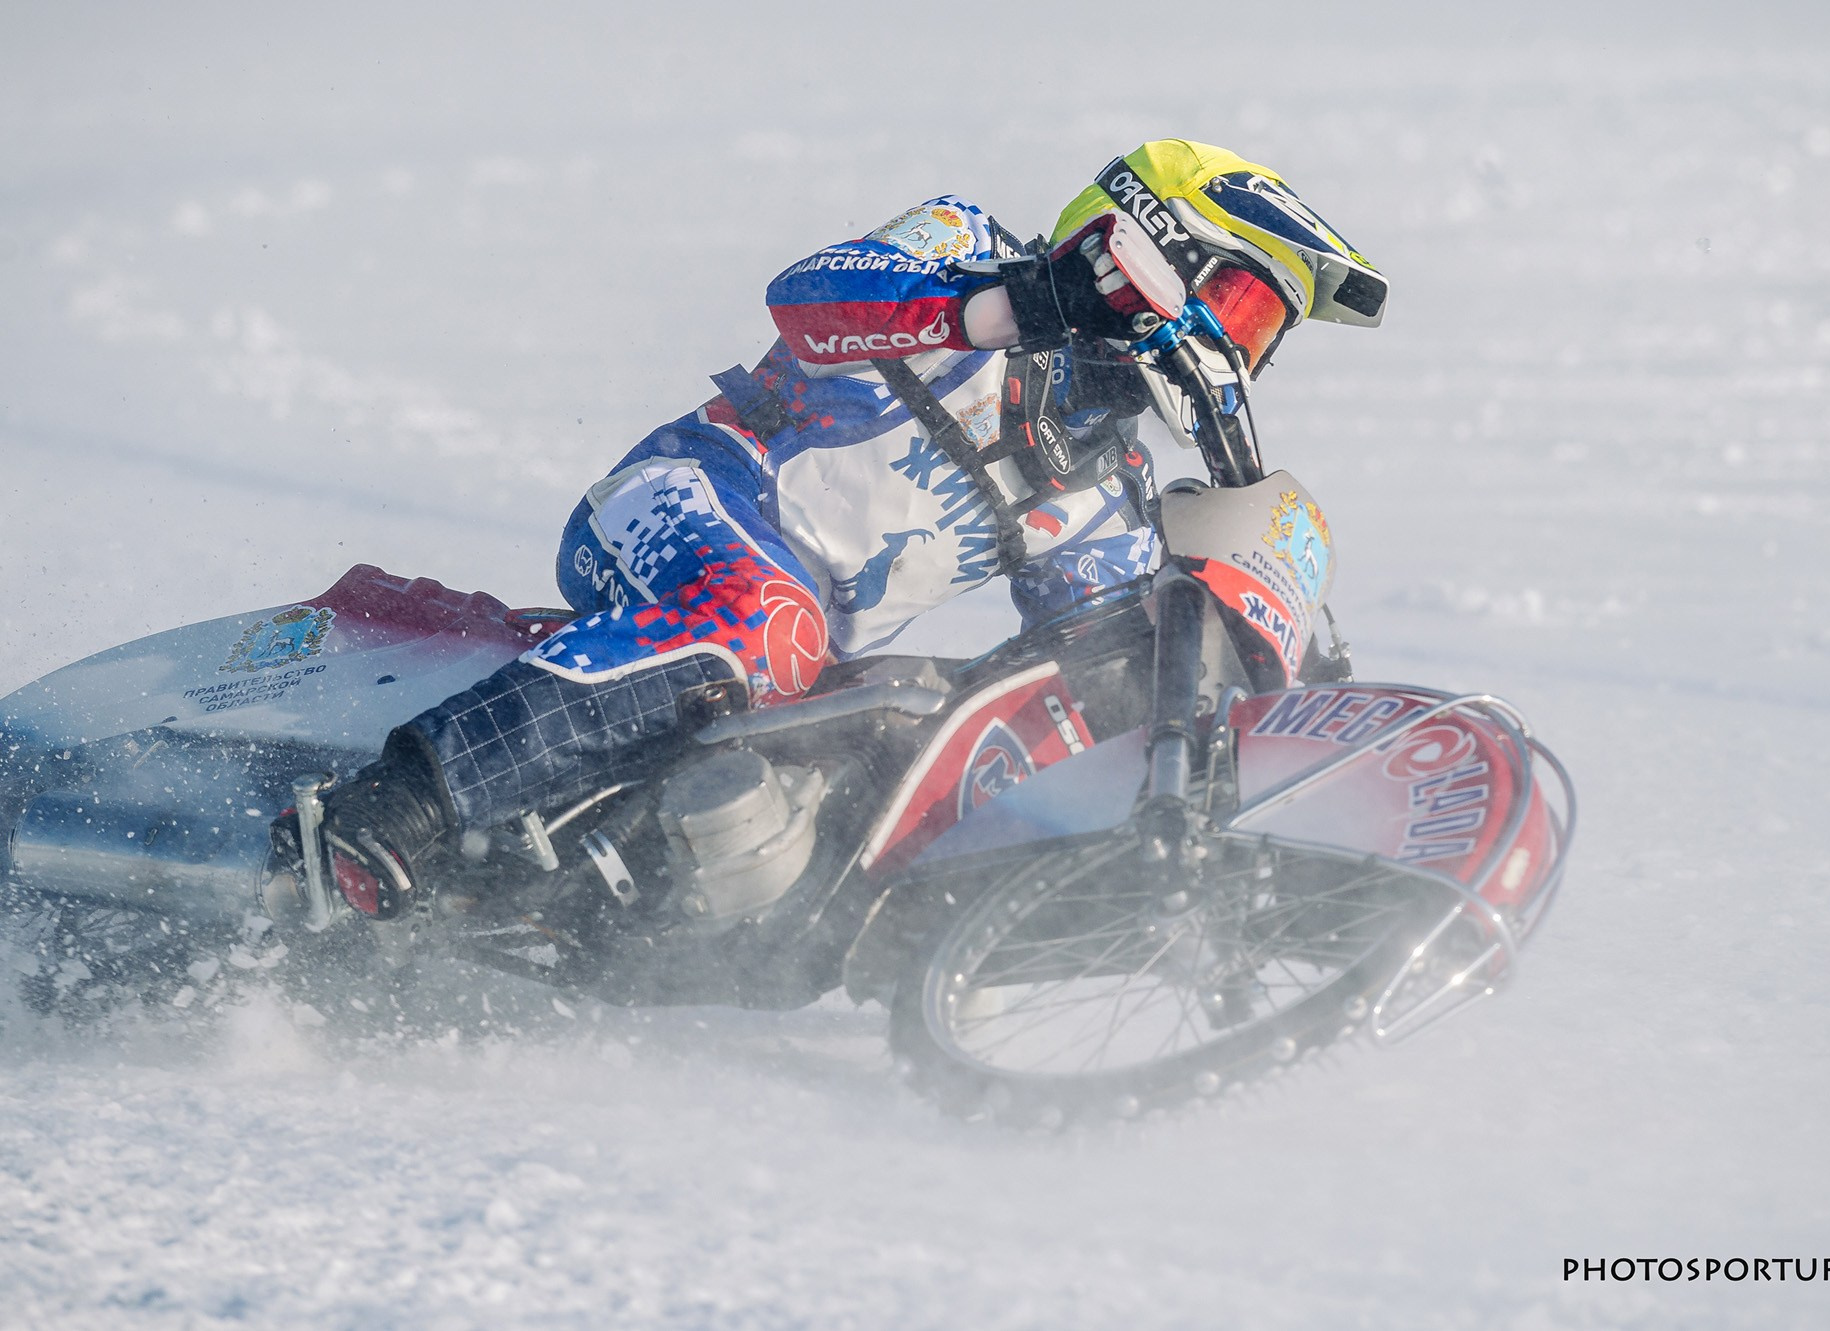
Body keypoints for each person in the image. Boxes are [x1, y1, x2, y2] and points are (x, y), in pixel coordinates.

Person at [283, 139, 1388, 920]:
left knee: (912, 718)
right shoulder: (967, 245)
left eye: (1261, 339)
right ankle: (405, 800)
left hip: (799, 648)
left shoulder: (1101, 477)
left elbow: (1087, 656)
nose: (1240, 354)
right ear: (1150, 238)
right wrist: (1014, 305)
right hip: (693, 499)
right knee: (767, 619)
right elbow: (808, 299)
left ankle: (640, 921)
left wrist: (1255, 669)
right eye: (1242, 310)